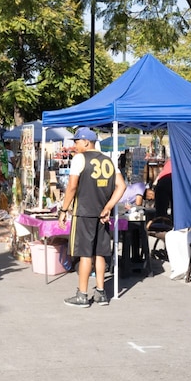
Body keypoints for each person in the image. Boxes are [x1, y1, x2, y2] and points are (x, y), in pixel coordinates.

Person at [58, 127, 125, 307]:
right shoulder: (110, 161)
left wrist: (64, 210)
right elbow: (121, 186)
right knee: (100, 253)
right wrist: (109, 206)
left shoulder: (80, 159)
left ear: (86, 142)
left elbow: (72, 187)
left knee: (85, 254)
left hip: (84, 212)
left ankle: (82, 295)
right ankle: (101, 293)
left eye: (77, 142)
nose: (75, 146)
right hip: (102, 213)